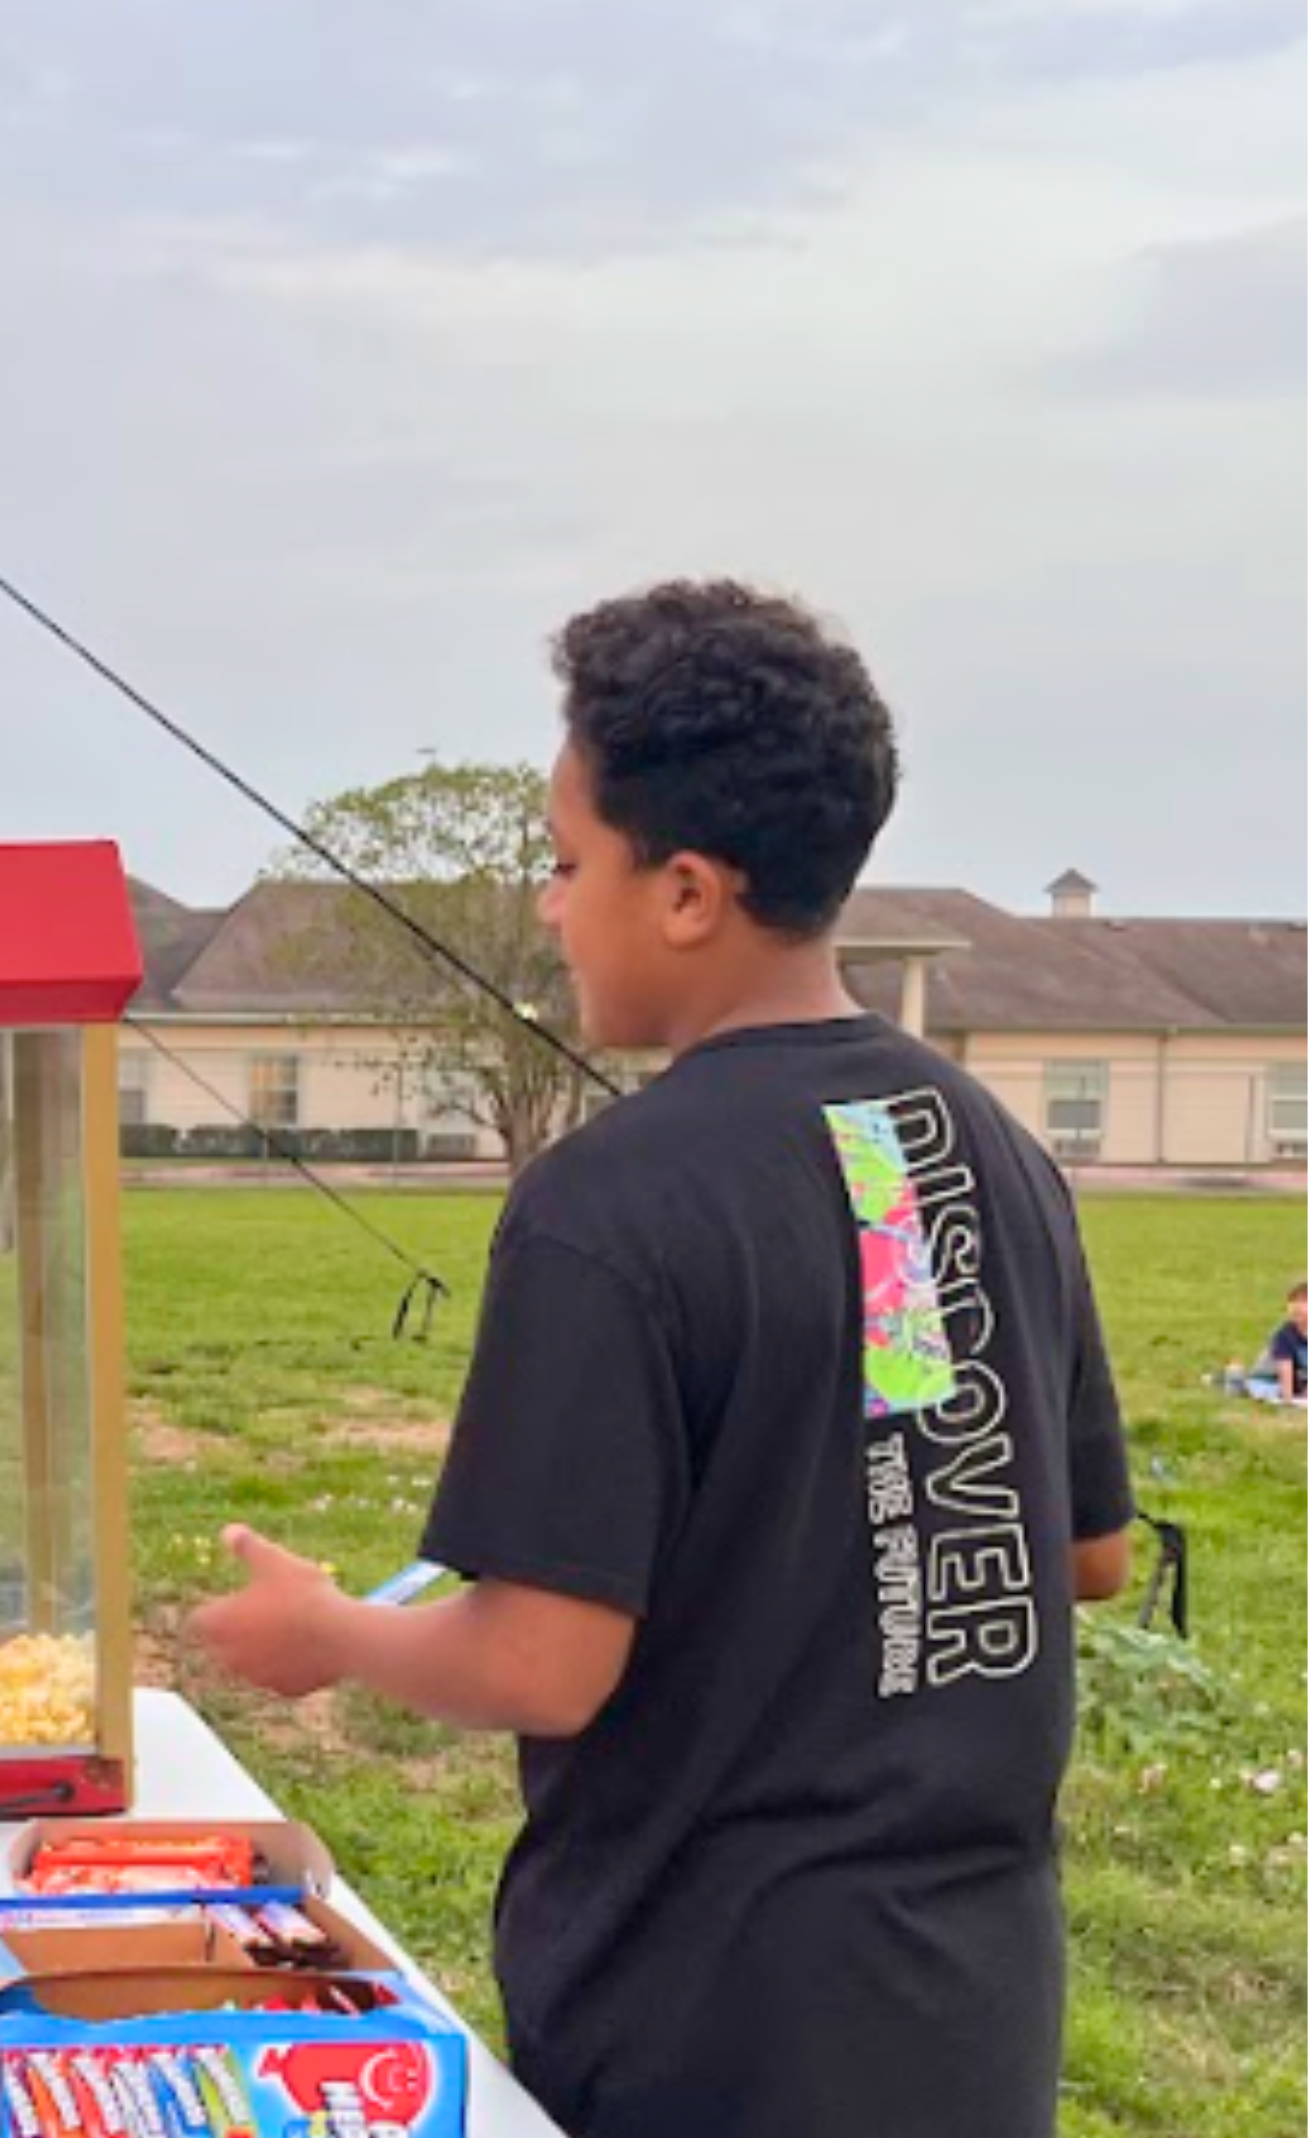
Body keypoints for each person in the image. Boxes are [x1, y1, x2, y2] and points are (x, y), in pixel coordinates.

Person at [190, 580, 1135, 2138]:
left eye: (567, 864)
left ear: (686, 890)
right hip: (969, 2014)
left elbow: (538, 1663)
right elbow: (1078, 1549)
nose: (551, 908)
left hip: (707, 2023)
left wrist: (332, 1628)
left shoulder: (606, 1201)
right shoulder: (968, 1147)